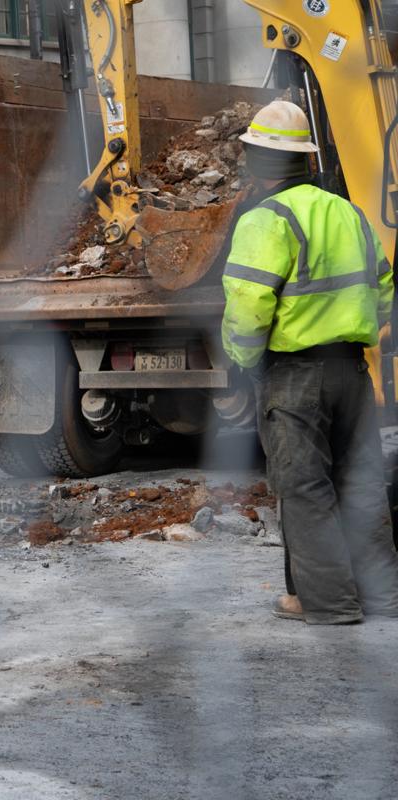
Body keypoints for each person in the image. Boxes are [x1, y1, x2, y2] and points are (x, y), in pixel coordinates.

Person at [221, 99, 398, 624]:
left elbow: (250, 305)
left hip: (294, 373)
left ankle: (326, 603)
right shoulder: (350, 213)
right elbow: (384, 288)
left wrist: (244, 359)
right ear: (305, 159)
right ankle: (384, 598)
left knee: (304, 486)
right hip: (351, 369)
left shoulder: (265, 219)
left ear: (255, 160)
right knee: (362, 481)